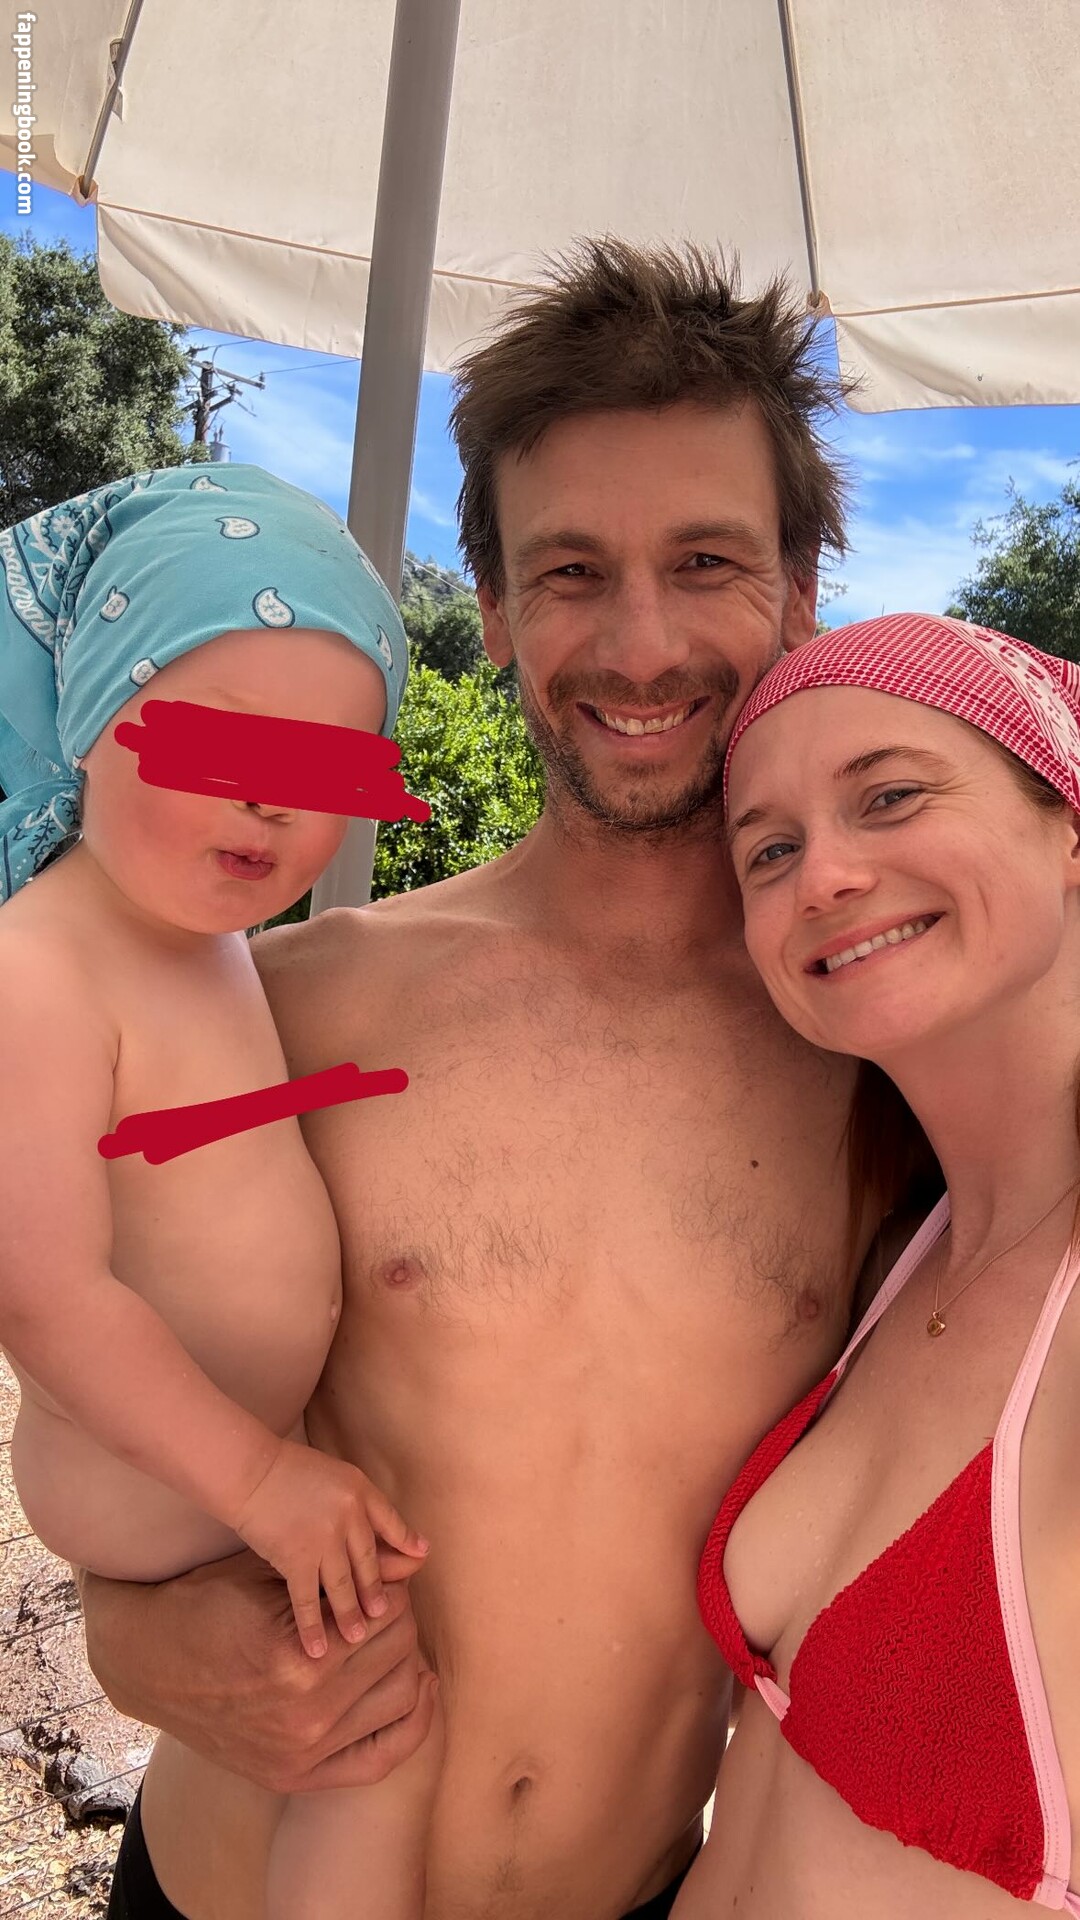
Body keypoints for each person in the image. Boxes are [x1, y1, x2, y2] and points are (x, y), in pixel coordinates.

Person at [80, 244, 887, 1920]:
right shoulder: (295, 1012)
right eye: (573, 570)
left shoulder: (878, 1079)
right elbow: (105, 1462)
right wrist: (143, 1645)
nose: (642, 643)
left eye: (707, 561)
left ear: (802, 589)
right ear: (500, 610)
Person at [0, 465, 441, 1920]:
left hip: (237, 1451)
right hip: (166, 1488)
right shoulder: (38, 967)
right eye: (219, 739)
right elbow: (43, 1296)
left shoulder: (204, 943)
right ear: (93, 715)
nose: (270, 795)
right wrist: (260, 1482)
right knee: (373, 1747)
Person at [681, 612, 1080, 1919]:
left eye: (892, 796)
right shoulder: (908, 1251)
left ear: (1069, 823)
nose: (824, 877)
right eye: (770, 850)